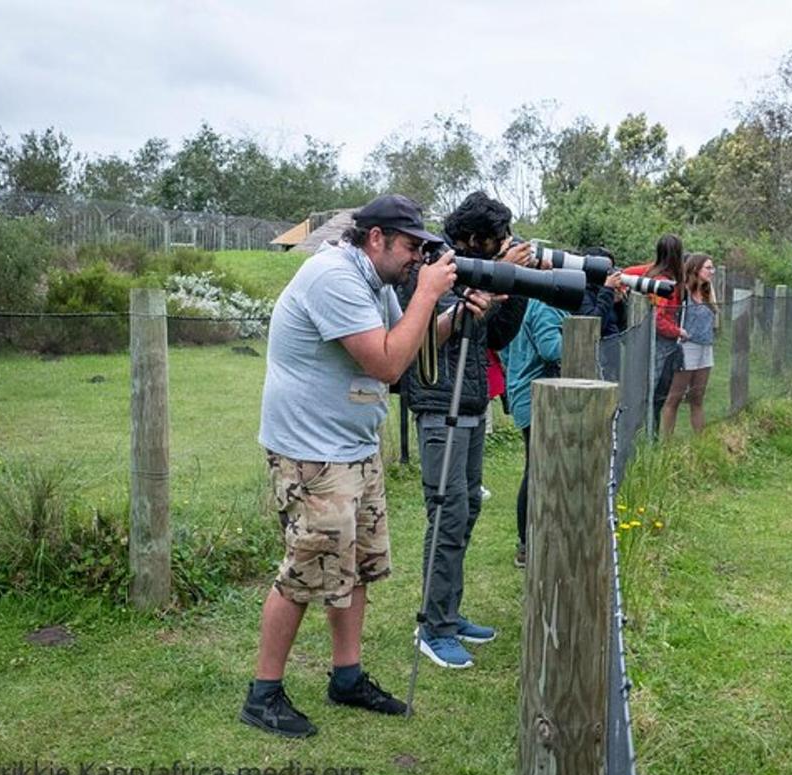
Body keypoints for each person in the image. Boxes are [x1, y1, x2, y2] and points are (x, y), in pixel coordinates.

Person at [243, 194, 493, 738]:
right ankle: (263, 693)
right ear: (375, 238)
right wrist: (427, 294)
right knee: (305, 569)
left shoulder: (371, 282)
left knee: (356, 566)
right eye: (411, 247)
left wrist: (448, 314)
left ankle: (347, 677)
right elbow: (384, 362)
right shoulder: (332, 277)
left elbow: (405, 345)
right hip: (313, 452)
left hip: (353, 446)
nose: (417, 259)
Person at [396, 191, 531, 670]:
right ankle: (433, 627)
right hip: (438, 403)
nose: (500, 251)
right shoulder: (431, 269)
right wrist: (491, 289)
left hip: (472, 402)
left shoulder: (478, 271)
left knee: (468, 506)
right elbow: (429, 330)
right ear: (473, 239)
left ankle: (448, 612)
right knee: (448, 511)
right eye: (496, 245)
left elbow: (495, 336)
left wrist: (513, 286)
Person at [502, 298, 568, 567]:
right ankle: (527, 544)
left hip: (522, 389)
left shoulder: (523, 303)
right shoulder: (544, 305)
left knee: (537, 466)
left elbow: (504, 349)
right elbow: (551, 350)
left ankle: (536, 538)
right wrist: (584, 336)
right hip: (537, 396)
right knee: (537, 469)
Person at [623, 234, 687, 434]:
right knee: (655, 392)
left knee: (650, 390)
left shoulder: (650, 271)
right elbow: (659, 319)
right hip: (660, 344)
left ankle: (647, 432)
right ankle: (648, 434)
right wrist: (678, 331)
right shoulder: (664, 283)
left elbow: (624, 273)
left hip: (646, 339)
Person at [660, 253, 718, 436]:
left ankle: (701, 442)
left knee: (697, 398)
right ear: (695, 269)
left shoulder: (708, 292)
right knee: (675, 398)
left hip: (706, 348)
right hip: (687, 348)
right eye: (708, 268)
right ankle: (666, 446)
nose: (712, 272)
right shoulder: (683, 292)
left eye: (712, 268)